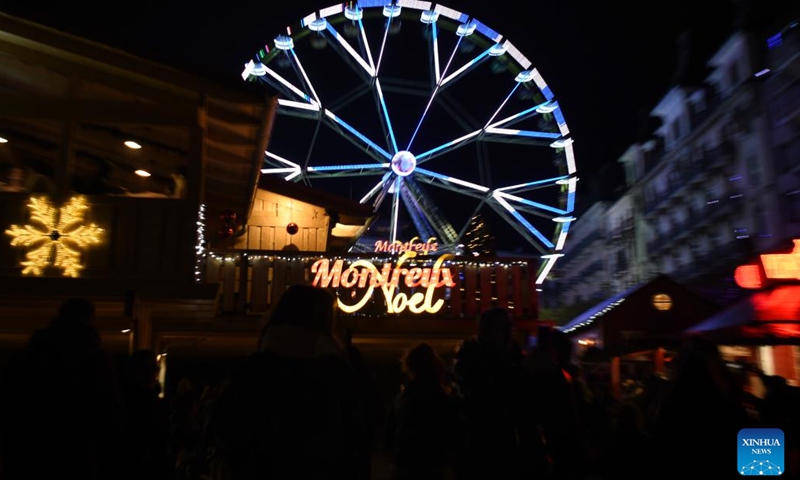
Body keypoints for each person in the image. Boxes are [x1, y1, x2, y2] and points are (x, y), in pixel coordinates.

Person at [209, 284, 370, 480]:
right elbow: (357, 437)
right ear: (325, 321)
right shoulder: (338, 372)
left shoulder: (256, 368)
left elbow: (225, 428)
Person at [0, 297, 124, 480]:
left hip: (32, 443)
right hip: (78, 444)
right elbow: (109, 408)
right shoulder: (94, 359)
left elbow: (11, 398)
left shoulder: (32, 354)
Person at [451, 307, 542, 480]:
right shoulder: (493, 365)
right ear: (489, 330)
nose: (509, 332)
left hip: (485, 448)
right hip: (489, 448)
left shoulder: (471, 361)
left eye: (509, 327)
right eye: (504, 327)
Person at [385, 343, 465, 480]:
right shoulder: (441, 397)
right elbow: (455, 433)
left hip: (404, 465)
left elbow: (389, 433)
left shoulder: (402, 397)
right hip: (433, 466)